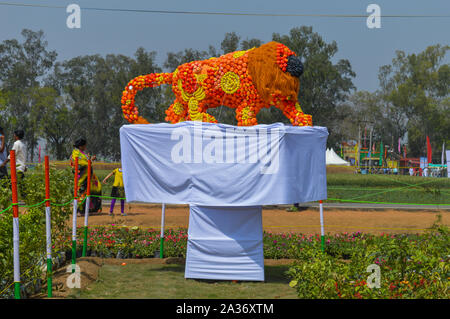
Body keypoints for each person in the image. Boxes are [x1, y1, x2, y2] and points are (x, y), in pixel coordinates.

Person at [71, 138, 102, 215]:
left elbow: (86, 162)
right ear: (81, 146)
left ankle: (91, 209)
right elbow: (81, 164)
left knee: (96, 188)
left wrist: (90, 159)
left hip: (88, 176)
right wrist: (90, 160)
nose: (85, 147)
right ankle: (80, 210)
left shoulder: (81, 153)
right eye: (84, 145)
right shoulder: (76, 153)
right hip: (82, 178)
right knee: (81, 192)